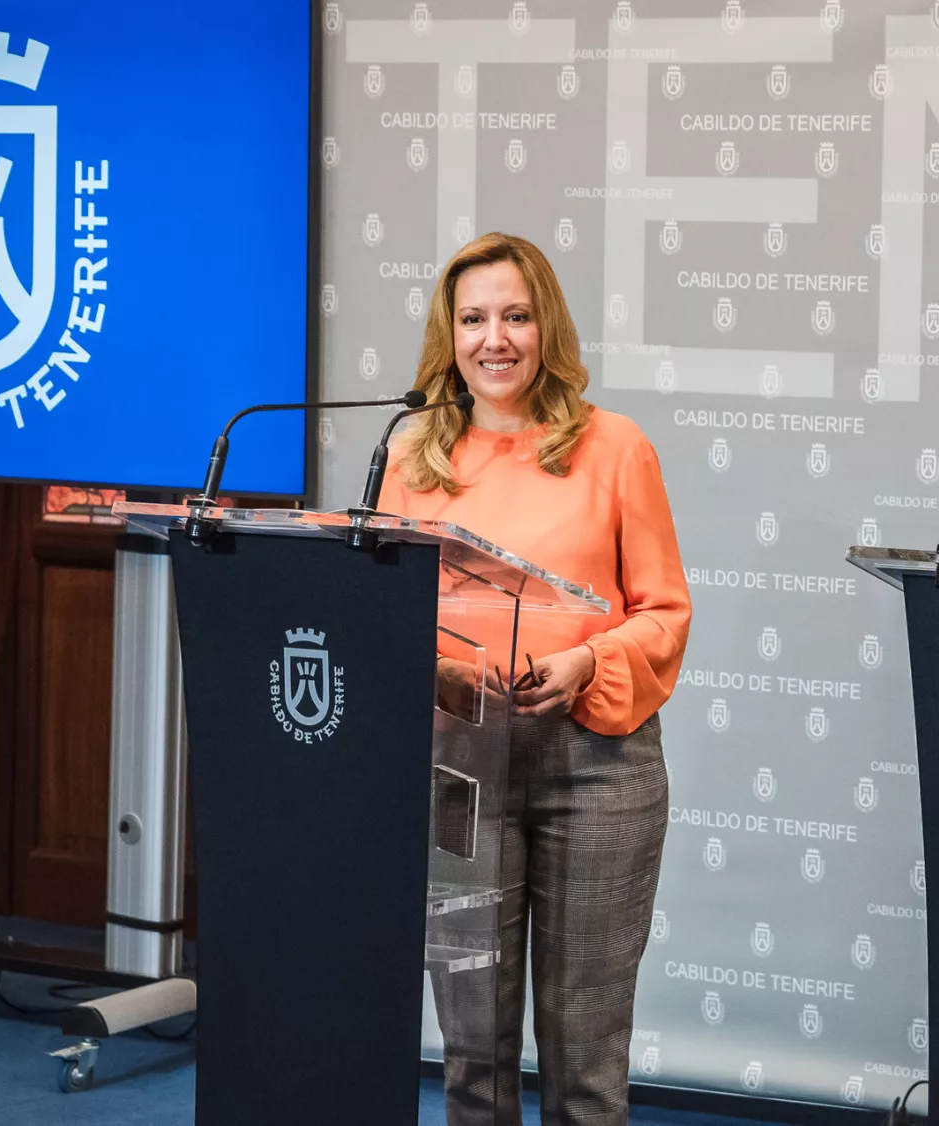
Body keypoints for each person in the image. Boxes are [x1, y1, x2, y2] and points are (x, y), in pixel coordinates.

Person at [377, 232, 689, 1125]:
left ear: (545, 326)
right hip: (458, 765)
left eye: (515, 316)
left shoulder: (614, 447)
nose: (495, 339)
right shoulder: (410, 459)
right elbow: (387, 617)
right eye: (473, 319)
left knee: (585, 1053)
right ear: (450, 335)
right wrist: (432, 671)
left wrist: (589, 660)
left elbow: (665, 612)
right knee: (472, 1055)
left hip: (595, 764)